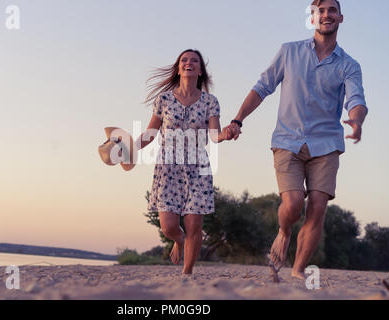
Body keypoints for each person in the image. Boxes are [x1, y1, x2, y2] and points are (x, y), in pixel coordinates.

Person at [224, 0, 368, 280]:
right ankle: (284, 230)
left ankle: (298, 269)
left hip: (326, 145)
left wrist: (357, 120)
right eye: (321, 11)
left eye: (332, 10)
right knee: (292, 204)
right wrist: (237, 119)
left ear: (341, 18)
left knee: (317, 207)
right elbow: (262, 87)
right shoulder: (289, 52)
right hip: (288, 140)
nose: (326, 15)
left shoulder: (350, 65)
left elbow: (357, 100)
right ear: (313, 18)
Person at [136, 49, 231, 275]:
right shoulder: (164, 99)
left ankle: (187, 273)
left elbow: (215, 135)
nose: (189, 63)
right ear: (179, 68)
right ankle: (178, 240)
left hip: (198, 167)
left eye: (194, 61)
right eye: (184, 60)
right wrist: (130, 148)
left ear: (200, 71)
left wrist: (226, 134)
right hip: (168, 166)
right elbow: (150, 132)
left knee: (194, 225)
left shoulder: (210, 102)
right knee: (169, 227)